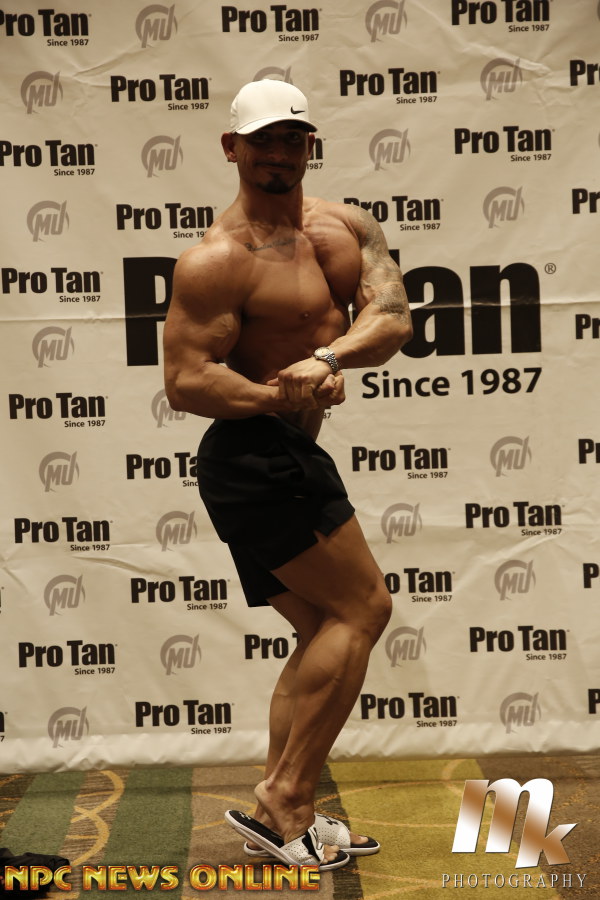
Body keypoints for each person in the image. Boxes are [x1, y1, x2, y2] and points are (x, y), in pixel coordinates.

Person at [163, 78, 413, 870]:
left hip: (281, 454)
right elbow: (186, 382)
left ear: (310, 145)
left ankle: (281, 805)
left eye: (291, 139)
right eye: (262, 140)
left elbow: (393, 317)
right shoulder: (216, 260)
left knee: (321, 629)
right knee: (364, 609)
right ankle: (286, 800)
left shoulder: (347, 228)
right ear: (232, 148)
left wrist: (329, 357)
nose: (278, 153)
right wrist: (284, 392)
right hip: (254, 454)